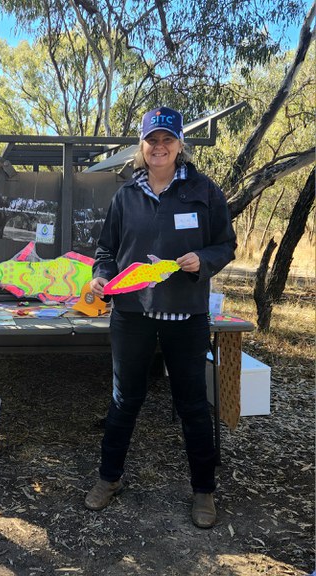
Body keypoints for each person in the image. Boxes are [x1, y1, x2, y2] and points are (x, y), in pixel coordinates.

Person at [84, 106, 236, 529]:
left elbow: (226, 245)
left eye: (168, 140)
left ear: (180, 145)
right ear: (142, 146)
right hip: (132, 314)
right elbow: (106, 250)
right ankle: (108, 478)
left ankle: (203, 491)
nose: (159, 147)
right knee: (123, 400)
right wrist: (101, 277)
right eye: (152, 140)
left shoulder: (204, 191)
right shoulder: (126, 195)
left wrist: (202, 260)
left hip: (186, 315)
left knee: (191, 405)